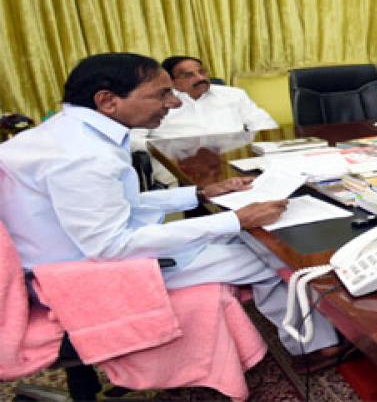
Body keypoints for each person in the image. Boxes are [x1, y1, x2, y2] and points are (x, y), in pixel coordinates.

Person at [0, 53, 340, 359]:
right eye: (161, 94)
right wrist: (235, 219)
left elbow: (118, 205)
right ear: (107, 101)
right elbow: (110, 245)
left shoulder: (72, 134)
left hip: (72, 250)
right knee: (265, 256)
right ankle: (317, 347)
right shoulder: (82, 157)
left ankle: (313, 341)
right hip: (80, 272)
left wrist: (199, 195)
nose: (173, 104)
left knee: (246, 242)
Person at [144, 56, 278, 138]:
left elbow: (264, 123)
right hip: (178, 161)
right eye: (188, 75)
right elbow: (133, 140)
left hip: (235, 155)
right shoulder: (155, 102)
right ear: (171, 81)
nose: (200, 78)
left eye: (202, 72)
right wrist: (164, 149)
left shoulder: (233, 94)